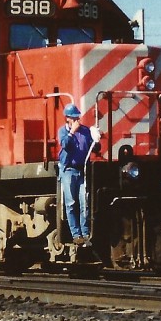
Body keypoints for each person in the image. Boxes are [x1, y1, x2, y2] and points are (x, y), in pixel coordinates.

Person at [57, 103, 100, 245]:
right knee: (71, 203)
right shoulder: (62, 131)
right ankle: (76, 235)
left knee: (85, 203)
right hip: (68, 170)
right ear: (67, 118)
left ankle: (85, 233)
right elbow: (65, 145)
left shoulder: (85, 131)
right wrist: (72, 132)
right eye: (73, 118)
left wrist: (96, 138)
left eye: (77, 117)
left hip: (82, 170)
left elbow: (95, 148)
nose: (77, 120)